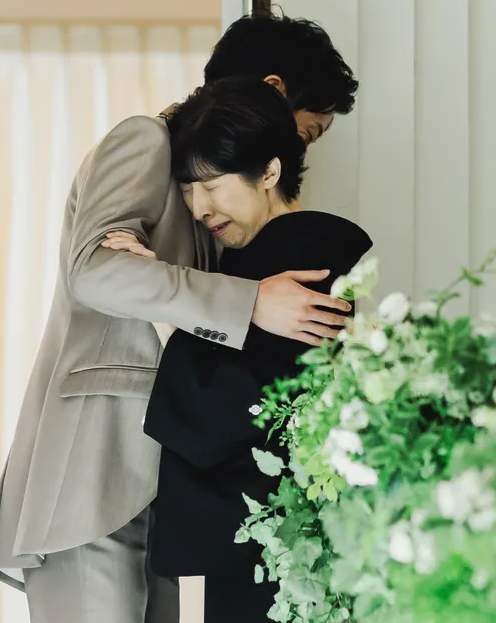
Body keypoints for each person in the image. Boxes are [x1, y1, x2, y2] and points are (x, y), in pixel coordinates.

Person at [0, 11, 359, 623]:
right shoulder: (145, 140)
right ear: (274, 91)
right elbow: (94, 270)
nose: (296, 153)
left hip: (172, 481)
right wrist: (249, 302)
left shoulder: (231, 205)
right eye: (306, 132)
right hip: (96, 470)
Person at [134, 77, 373, 622]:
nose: (199, 208)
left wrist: (164, 299)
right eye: (188, 189)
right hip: (279, 542)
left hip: (281, 548)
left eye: (212, 186)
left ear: (269, 172)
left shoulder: (304, 259)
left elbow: (226, 409)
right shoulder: (270, 261)